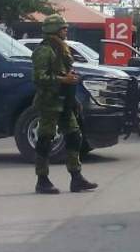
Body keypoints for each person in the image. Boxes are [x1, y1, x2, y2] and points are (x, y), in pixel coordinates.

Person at [31, 14, 97, 195]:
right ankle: (42, 180)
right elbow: (38, 78)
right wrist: (63, 80)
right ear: (54, 29)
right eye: (63, 28)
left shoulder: (61, 48)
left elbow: (65, 71)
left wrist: (73, 96)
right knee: (46, 139)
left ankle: (76, 178)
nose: (66, 31)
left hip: (65, 101)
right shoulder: (44, 51)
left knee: (74, 136)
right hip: (49, 102)